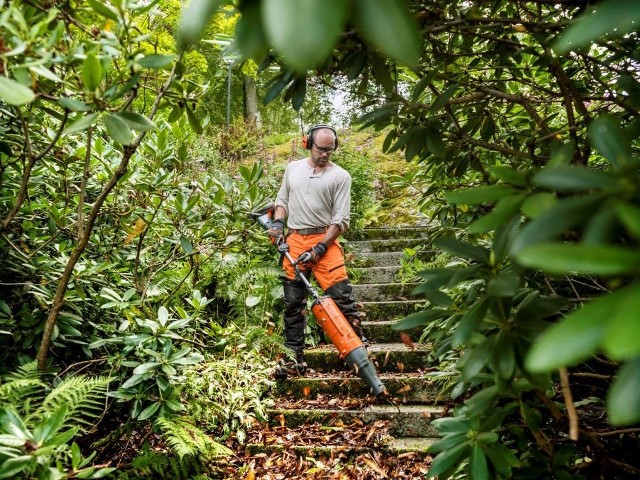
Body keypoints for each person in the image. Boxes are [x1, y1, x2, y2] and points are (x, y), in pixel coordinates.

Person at [268, 125, 367, 378]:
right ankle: (293, 360)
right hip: (295, 239)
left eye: (329, 150)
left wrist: (320, 248)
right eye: (320, 149)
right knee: (293, 304)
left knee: (342, 298)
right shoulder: (293, 169)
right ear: (308, 143)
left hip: (326, 240)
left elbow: (341, 220)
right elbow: (282, 202)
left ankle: (360, 354)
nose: (324, 154)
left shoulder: (340, 176)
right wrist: (278, 225)